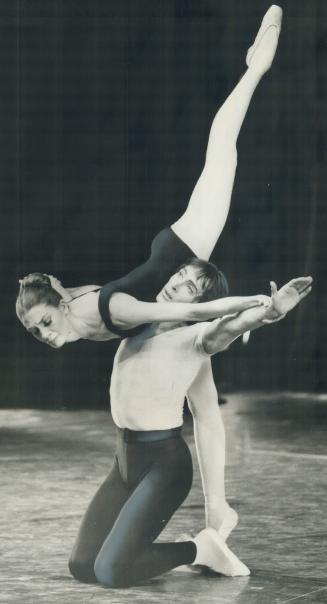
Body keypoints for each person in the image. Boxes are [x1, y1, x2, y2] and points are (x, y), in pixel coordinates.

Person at [16, 6, 283, 349]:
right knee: (220, 154)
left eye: (45, 323)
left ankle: (256, 67)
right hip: (165, 255)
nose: (45, 334)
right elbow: (68, 292)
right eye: (36, 331)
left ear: (61, 308)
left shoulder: (115, 310)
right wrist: (48, 287)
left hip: (183, 248)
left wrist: (256, 304)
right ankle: (254, 68)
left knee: (222, 152)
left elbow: (199, 312)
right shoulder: (74, 311)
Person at [68, 266, 312, 588]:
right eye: (180, 274)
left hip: (163, 467)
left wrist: (268, 312)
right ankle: (188, 547)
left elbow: (229, 327)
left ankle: (199, 549)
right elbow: (206, 413)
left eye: (191, 288)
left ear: (201, 305)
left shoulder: (197, 338)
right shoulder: (137, 322)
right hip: (124, 463)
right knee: (82, 565)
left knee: (111, 571)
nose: (176, 284)